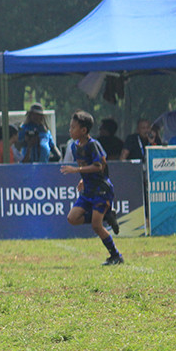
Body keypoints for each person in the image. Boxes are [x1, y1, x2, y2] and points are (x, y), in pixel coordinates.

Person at [60, 110, 123, 265]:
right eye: (70, 127)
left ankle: (116, 256)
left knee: (96, 225)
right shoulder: (75, 146)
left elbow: (99, 165)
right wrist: (83, 179)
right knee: (72, 218)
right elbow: (85, 165)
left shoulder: (93, 145)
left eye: (73, 127)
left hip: (101, 190)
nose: (70, 130)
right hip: (88, 189)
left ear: (83, 130)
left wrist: (77, 171)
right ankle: (107, 216)